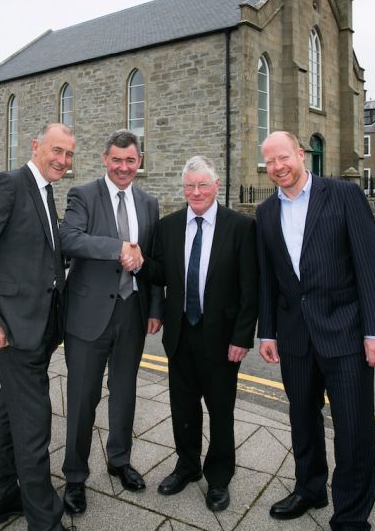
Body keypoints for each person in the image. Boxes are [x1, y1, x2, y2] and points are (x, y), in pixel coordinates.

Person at [256, 131, 375, 530]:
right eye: (270, 163)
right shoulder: (265, 212)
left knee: (353, 426)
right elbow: (268, 278)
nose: (278, 168)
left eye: (284, 158)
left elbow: (369, 263)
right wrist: (267, 332)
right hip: (295, 337)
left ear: (301, 153)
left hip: (346, 332)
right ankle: (310, 488)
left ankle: (350, 514)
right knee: (302, 419)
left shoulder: (343, 195)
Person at [0, 123, 76, 531]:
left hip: (41, 327)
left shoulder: (46, 192)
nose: (62, 160)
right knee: (34, 423)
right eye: (56, 150)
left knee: (11, 413)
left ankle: (0, 499)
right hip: (13, 330)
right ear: (36, 146)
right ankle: (45, 519)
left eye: (69, 154)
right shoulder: (8, 184)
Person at [123, 156, 258, 512]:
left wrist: (242, 338)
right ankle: (187, 466)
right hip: (181, 335)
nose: (195, 192)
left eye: (202, 185)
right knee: (182, 407)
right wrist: (139, 264)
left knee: (221, 410)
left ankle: (218, 478)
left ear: (215, 186)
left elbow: (250, 289)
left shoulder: (240, 227)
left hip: (222, 338)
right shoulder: (169, 226)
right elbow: (160, 274)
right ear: (182, 189)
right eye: (189, 186)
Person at [59, 129, 163, 516]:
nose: (123, 167)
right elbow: (68, 238)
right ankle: (74, 476)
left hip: (132, 312)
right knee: (83, 397)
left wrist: (155, 308)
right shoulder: (83, 195)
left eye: (130, 160)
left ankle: (119, 461)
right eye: (117, 160)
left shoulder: (149, 202)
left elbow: (150, 259)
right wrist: (116, 247)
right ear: (105, 159)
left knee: (125, 393)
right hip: (87, 317)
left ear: (140, 162)